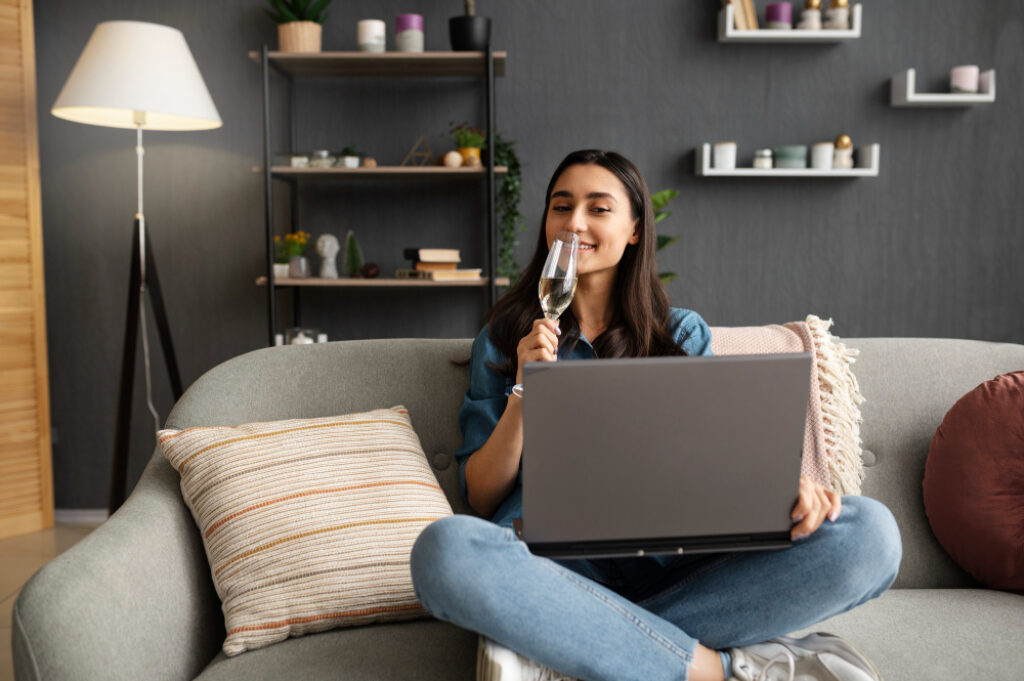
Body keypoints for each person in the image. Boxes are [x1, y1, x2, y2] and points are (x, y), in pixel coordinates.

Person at [410, 149, 902, 681]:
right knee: (443, 552)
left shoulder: (681, 334)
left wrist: (790, 491)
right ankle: (712, 669)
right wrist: (526, 391)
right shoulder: (506, 338)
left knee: (872, 533)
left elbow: (716, 467)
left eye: (598, 209)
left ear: (635, 230)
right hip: (551, 571)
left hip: (677, 566)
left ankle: (591, 646)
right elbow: (480, 496)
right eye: (561, 206)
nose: (574, 222)